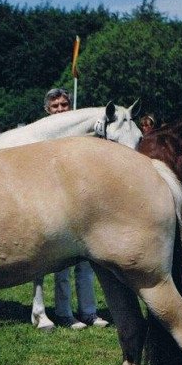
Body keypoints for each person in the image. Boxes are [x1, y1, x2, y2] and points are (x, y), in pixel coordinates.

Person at [43, 88, 108, 329]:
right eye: (55, 106)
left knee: (86, 262)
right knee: (62, 265)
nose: (60, 109)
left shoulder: (82, 134)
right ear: (47, 110)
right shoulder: (43, 135)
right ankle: (63, 312)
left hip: (82, 203)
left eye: (63, 105)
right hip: (56, 205)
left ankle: (89, 311)